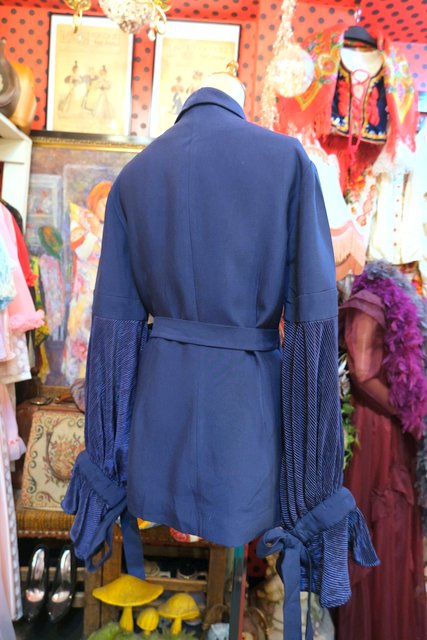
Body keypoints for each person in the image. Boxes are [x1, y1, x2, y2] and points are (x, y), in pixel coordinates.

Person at [63, 67, 377, 639]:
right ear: (240, 100)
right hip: (245, 422)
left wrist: (108, 460)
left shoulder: (136, 175)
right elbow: (311, 323)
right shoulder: (286, 162)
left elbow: (114, 331)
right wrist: (312, 486)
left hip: (161, 425)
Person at [62, 180, 112, 384]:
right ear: (95, 201)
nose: (107, 209)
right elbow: (82, 252)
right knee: (81, 336)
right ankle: (76, 385)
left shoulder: (111, 226)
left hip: (103, 293)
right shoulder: (81, 222)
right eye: (104, 204)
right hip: (84, 295)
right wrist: (93, 230)